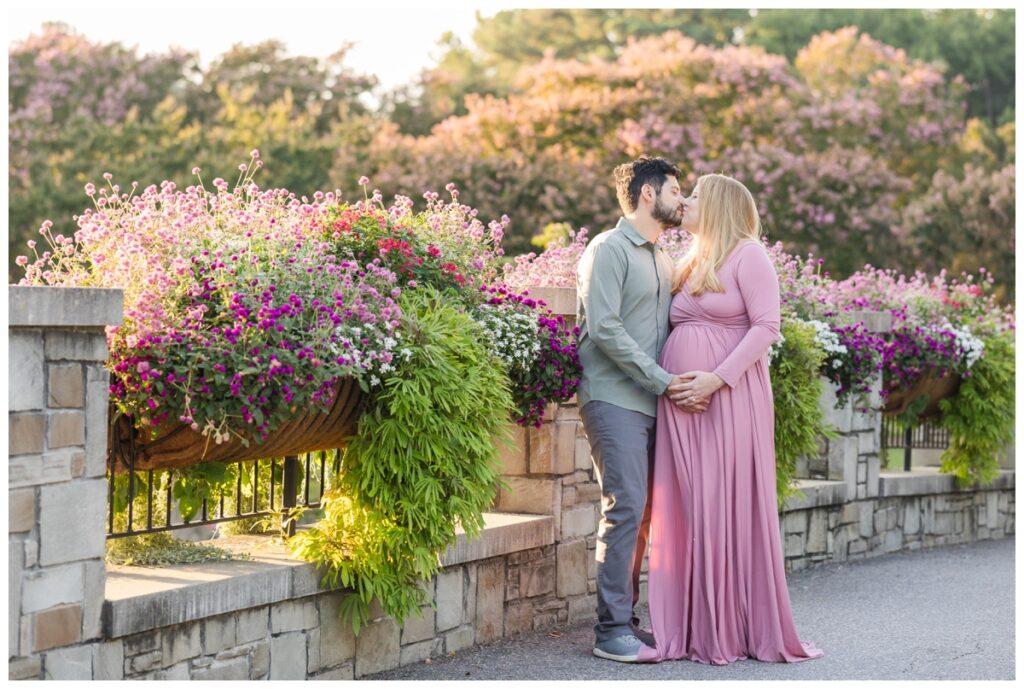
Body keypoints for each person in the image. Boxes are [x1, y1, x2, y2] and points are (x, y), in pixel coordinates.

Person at [638, 173, 824, 665]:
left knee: (720, 502)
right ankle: (687, 624)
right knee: (685, 504)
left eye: (694, 196)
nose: (686, 202)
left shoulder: (749, 255)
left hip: (729, 399)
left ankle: (727, 627)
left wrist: (715, 379)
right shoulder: (690, 258)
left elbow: (767, 327)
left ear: (717, 205)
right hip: (681, 401)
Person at [576, 157, 709, 664]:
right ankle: (610, 631)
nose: (682, 199)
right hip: (614, 397)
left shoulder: (661, 258)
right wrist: (664, 381)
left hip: (656, 402)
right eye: (676, 191)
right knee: (626, 504)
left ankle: (626, 621)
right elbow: (605, 329)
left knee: (649, 513)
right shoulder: (607, 249)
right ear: (649, 195)